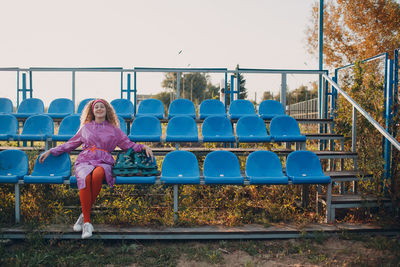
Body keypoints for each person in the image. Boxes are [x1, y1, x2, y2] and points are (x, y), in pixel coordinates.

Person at [39, 99, 153, 239]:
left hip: (104, 160)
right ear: (92, 111)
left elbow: (127, 144)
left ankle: (83, 214)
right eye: (96, 107)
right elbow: (70, 144)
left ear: (107, 110)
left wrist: (143, 147)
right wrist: (51, 150)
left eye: (102, 107)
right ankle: (87, 223)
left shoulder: (114, 129)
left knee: (98, 174)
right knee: (86, 178)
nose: (99, 109)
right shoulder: (85, 128)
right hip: (85, 160)